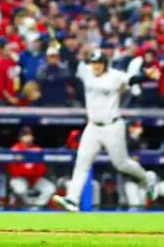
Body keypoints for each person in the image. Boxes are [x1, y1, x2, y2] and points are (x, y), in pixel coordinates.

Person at [52, 51, 156, 212]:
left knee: (121, 164)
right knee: (82, 163)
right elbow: (71, 58)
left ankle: (147, 177)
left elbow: (132, 79)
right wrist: (57, 44)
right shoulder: (87, 72)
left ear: (105, 64)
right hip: (93, 126)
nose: (95, 66)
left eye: (98, 63)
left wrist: (147, 76)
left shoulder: (115, 76)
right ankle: (72, 199)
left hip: (112, 126)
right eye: (93, 63)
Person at [8, 127, 55, 210]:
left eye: (30, 135)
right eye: (25, 135)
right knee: (20, 189)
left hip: (34, 179)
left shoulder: (37, 149)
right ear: (20, 138)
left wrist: (34, 178)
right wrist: (28, 174)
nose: (28, 137)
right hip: (20, 179)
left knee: (50, 188)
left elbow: (42, 169)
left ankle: (35, 208)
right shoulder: (15, 149)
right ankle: (28, 204)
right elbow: (13, 170)